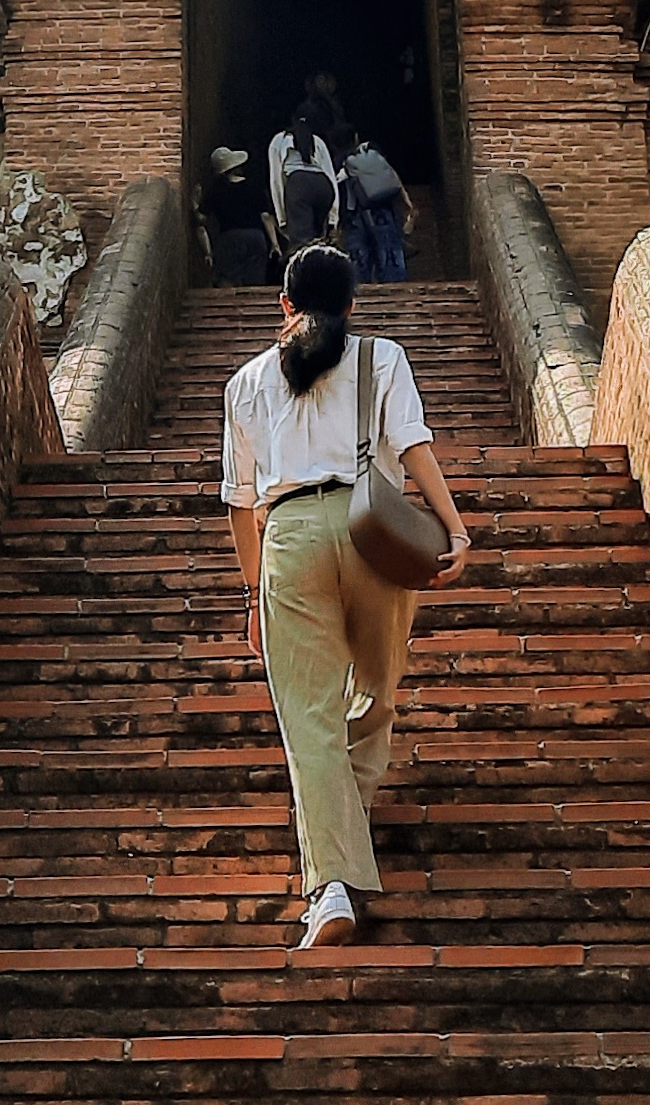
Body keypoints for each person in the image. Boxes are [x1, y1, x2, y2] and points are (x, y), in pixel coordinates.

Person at [221, 242, 470, 949]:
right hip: (374, 531)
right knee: (376, 693)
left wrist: (251, 595)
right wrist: (454, 529)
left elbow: (240, 505)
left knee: (308, 719)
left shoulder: (245, 382)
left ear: (284, 305)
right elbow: (413, 447)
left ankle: (330, 881)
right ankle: (342, 841)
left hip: (289, 540)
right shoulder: (379, 356)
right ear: (353, 305)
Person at [342, 134, 416, 282]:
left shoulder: (340, 162)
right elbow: (392, 177)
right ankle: (394, 285)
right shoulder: (372, 154)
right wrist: (406, 201)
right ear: (355, 138)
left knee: (360, 256)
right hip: (382, 210)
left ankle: (361, 288)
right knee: (388, 250)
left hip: (354, 215)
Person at [201, 144, 275, 285]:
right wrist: (275, 244)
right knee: (255, 282)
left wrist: (194, 207)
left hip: (229, 238)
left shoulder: (216, 190)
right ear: (237, 167)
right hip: (256, 237)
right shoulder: (254, 186)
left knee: (228, 281)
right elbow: (265, 216)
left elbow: (202, 219)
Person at [267, 109, 340, 250]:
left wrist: (282, 219)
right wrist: (333, 219)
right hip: (323, 185)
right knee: (319, 240)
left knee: (302, 245)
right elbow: (330, 175)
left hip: (299, 185)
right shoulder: (317, 141)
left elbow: (276, 180)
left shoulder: (279, 140)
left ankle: (304, 270)